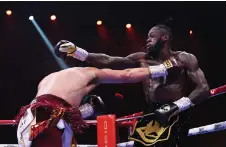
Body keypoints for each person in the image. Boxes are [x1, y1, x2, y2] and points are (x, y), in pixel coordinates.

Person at [55, 24, 210, 146]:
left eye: (152, 36)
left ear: (165, 37)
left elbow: (203, 88)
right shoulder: (141, 59)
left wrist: (177, 106)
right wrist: (77, 52)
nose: (147, 40)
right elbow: (109, 60)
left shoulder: (184, 58)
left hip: (176, 112)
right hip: (150, 114)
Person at [16, 48, 177, 147]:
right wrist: (163, 67)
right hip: (50, 120)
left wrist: (85, 111)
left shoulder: (50, 77)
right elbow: (127, 74)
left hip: (29, 119)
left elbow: (53, 107)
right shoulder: (90, 73)